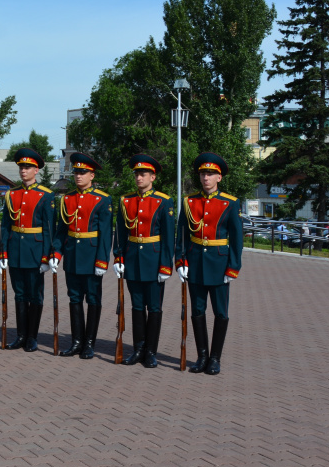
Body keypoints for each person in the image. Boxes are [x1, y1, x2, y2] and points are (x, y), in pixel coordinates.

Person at [178, 153, 243, 375]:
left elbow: (237, 239)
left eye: (211, 174)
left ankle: (215, 358)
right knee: (197, 310)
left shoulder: (230, 203)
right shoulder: (189, 202)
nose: (206, 178)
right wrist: (181, 261)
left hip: (219, 264)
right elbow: (182, 235)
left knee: (220, 312)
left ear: (219, 178)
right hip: (195, 263)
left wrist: (233, 267)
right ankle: (202, 356)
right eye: (204, 174)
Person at [112, 154, 175, 368]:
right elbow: (120, 232)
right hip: (132, 260)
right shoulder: (126, 200)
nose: (139, 178)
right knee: (137, 306)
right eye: (137, 174)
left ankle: (151, 351)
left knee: (154, 308)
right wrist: (118, 257)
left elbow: (168, 237)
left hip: (154, 260)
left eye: (143, 174)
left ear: (153, 177)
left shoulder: (164, 201)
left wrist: (166, 265)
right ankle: (138, 349)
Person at [51, 152, 111, 359]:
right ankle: (77, 341)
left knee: (93, 299)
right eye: (76, 172)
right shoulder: (67, 199)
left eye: (83, 172)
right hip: (73, 256)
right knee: (74, 298)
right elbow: (61, 230)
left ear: (92, 175)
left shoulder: (102, 200)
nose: (78, 176)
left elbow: (105, 235)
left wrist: (103, 260)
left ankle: (89, 343)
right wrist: (56, 253)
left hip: (92, 256)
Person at [0, 148, 56, 352]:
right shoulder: (11, 194)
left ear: (37, 170)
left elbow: (49, 230)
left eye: (28, 167)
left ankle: (32, 336)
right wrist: (3, 253)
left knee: (35, 295)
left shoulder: (46, 195)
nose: (24, 170)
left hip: (35, 251)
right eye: (22, 167)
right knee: (19, 294)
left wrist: (46, 257)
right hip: (15, 250)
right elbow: (5, 225)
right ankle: (21, 335)